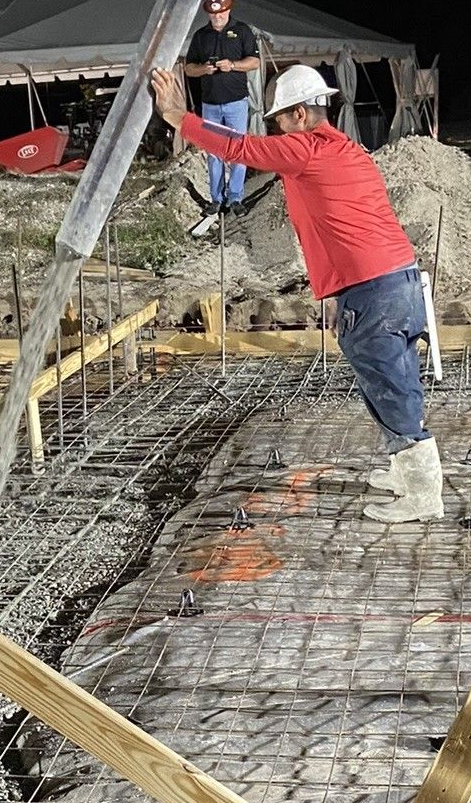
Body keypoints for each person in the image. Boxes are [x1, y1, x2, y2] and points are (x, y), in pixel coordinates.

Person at [152, 61, 443, 522]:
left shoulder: (305, 149)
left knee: (390, 386)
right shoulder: (347, 149)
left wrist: (178, 117)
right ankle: (403, 469)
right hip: (394, 283)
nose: (278, 131)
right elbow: (339, 223)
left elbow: (238, 147)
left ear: (301, 115)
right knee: (387, 379)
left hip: (375, 290)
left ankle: (425, 495)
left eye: (280, 120)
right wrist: (332, 293)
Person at [181, 0, 260, 212]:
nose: (218, 17)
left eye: (221, 13)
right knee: (213, 152)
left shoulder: (242, 31)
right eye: (213, 13)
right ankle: (217, 198)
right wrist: (204, 69)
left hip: (236, 102)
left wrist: (232, 65)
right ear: (208, 13)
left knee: (237, 149)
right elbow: (189, 68)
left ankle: (235, 197)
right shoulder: (200, 36)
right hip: (210, 104)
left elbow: (254, 62)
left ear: (229, 10)